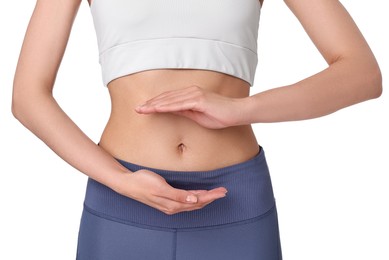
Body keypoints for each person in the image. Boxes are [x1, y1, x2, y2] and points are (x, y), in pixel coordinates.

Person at [11, 0, 382, 259]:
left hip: (235, 202)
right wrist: (120, 181)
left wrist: (241, 109)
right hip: (121, 198)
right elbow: (28, 97)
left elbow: (361, 74)